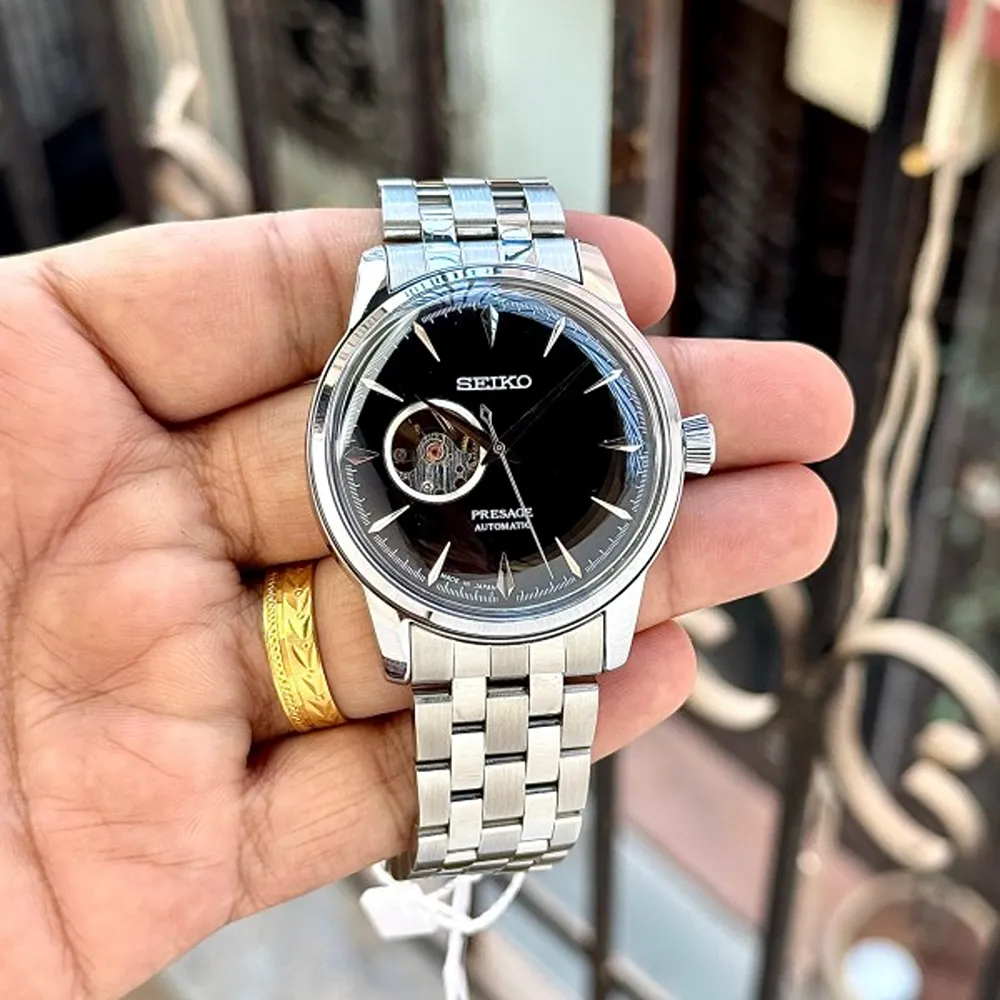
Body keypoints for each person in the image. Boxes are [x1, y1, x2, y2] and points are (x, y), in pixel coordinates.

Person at [0, 209, 853, 1000]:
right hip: (431, 582)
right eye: (466, 440)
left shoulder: (619, 404)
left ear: (680, 448)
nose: (491, 448)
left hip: (529, 586)